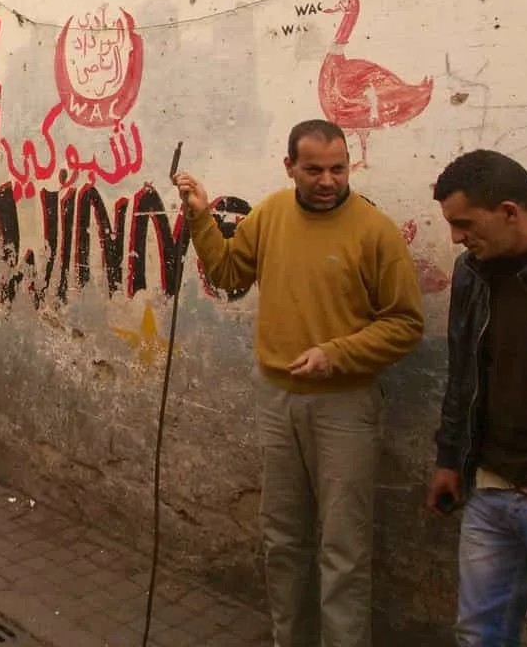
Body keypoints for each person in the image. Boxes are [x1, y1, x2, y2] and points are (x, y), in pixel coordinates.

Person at [173, 119, 424, 647]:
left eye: (338, 168)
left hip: (346, 406)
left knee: (343, 549)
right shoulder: (270, 215)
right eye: (314, 169)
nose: (328, 180)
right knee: (283, 540)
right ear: (290, 167)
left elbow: (405, 324)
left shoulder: (374, 230)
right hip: (277, 400)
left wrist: (337, 354)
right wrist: (201, 223)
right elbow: (228, 275)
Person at [426, 150, 527, 645]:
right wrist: (449, 460)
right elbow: (462, 376)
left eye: (464, 223)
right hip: (489, 492)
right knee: (478, 634)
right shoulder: (471, 273)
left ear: (509, 212)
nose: (456, 237)